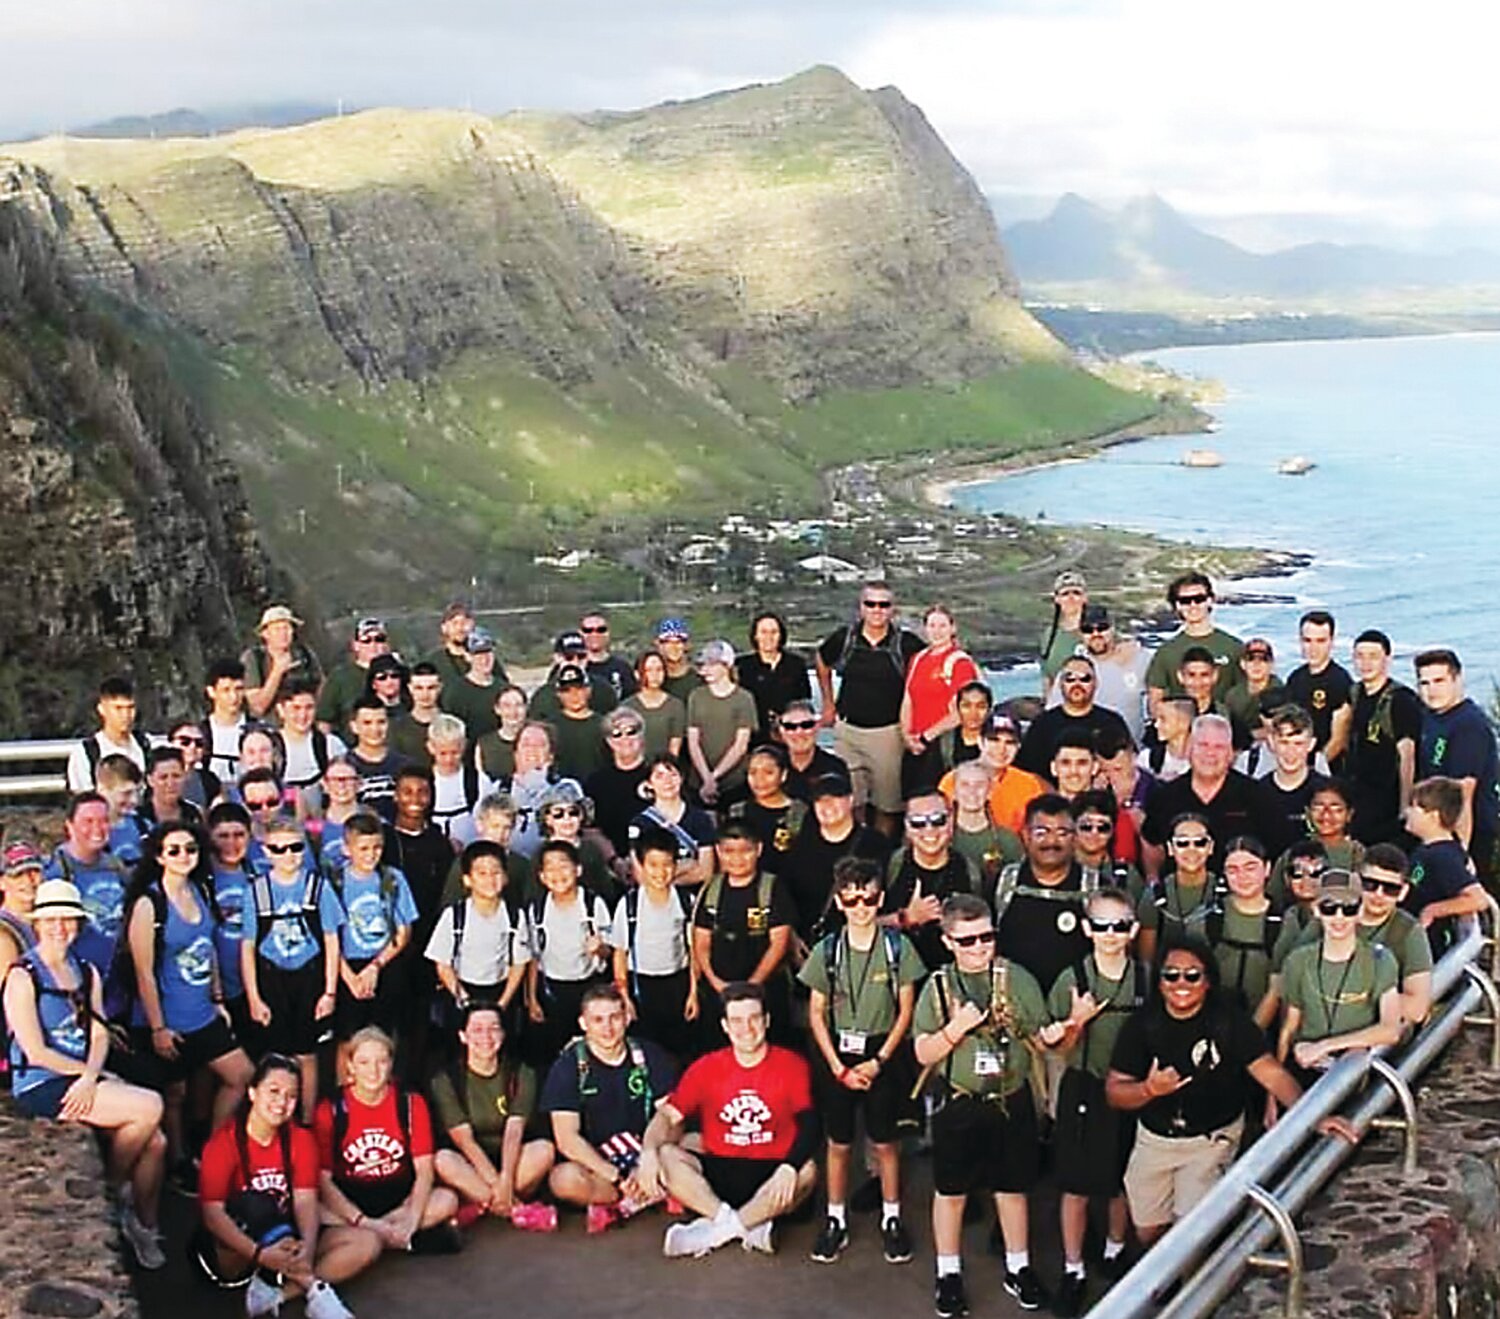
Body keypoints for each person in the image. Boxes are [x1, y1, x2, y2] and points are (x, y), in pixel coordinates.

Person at [1106, 938, 1336, 1242]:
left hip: (1210, 1141)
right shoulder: (1141, 1026)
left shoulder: (1230, 1023)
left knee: (1190, 1233)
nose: (1181, 983)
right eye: (1171, 975)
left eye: (1192, 975)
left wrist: (1313, 1116)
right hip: (1155, 1140)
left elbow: (1271, 1074)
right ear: (1159, 981)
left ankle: (1192, 1284)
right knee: (1148, 1231)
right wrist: (1149, 1090)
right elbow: (1114, 1092)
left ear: (1208, 981)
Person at [5, 878, 169, 1268]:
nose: (60, 927)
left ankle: (143, 1226)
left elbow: (99, 1032)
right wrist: (87, 1075)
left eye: (67, 919)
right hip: (43, 1080)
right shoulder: (22, 976)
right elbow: (34, 1049)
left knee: (157, 1143)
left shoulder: (87, 971)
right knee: (150, 1107)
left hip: (83, 1073)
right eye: (51, 920)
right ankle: (113, 1191)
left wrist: (93, 1074)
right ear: (39, 924)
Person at [912, 894, 1052, 1315]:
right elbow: (922, 1052)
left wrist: (1065, 1027)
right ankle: (948, 1271)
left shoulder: (1018, 980)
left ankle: (1018, 1266)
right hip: (961, 1099)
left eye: (986, 938)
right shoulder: (937, 986)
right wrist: (956, 1029)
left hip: (1011, 1096)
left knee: (1013, 1188)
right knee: (951, 1191)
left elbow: (1041, 1036)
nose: (978, 948)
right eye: (967, 940)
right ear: (948, 942)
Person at [799, 857, 924, 1266]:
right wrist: (837, 1066)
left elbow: (905, 1010)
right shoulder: (828, 949)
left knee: (885, 1143)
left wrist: (879, 1061)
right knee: (837, 1143)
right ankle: (835, 1218)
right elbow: (816, 1012)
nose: (861, 907)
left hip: (879, 1052)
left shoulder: (896, 947)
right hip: (838, 1054)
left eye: (868, 898)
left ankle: (892, 1217)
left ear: (880, 898)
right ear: (839, 902)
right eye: (851, 900)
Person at [637, 981, 818, 1258]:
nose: (746, 1028)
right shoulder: (706, 1067)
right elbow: (667, 1116)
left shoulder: (792, 1064)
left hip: (772, 1173)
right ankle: (745, 1226)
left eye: (754, 1018)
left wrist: (789, 1167)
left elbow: (810, 1125)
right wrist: (647, 1152)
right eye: (736, 1020)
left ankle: (714, 1233)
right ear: (724, 1026)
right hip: (721, 1171)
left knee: (808, 1170)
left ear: (767, 1021)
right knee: (666, 1154)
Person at [123, 822, 253, 1175]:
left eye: (190, 849)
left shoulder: (200, 891)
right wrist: (158, 1027)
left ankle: (211, 1149)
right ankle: (180, 1161)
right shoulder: (149, 904)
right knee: (175, 1093)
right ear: (159, 856)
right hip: (169, 1017)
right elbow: (144, 972)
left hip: (202, 1011)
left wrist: (217, 998)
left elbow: (207, 947)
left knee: (241, 1075)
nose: (184, 856)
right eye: (174, 850)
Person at [1043, 886, 1147, 1314]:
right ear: (1086, 929)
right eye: (1101, 925)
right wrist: (1075, 1021)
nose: (1110, 934)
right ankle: (1073, 1269)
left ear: (1133, 929)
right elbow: (1057, 1049)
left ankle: (1113, 1249)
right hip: (1084, 1086)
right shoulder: (1073, 979)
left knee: (1123, 1178)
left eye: (1119, 926)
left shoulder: (1145, 977)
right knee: (1076, 1184)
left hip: (1132, 1088)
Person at [197, 1053, 364, 1318]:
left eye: (291, 1095)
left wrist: (307, 1250)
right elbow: (212, 1214)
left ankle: (278, 1295)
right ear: (252, 1093)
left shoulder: (300, 1139)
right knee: (256, 1202)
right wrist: (260, 1254)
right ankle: (314, 1289)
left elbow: (305, 1200)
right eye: (273, 1091)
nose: (282, 1102)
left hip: (284, 1241)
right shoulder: (223, 1143)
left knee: (365, 1242)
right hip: (237, 1251)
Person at [540, 983, 679, 1231]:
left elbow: (670, 1115)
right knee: (563, 1180)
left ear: (627, 1018)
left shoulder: (648, 1054)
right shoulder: (568, 1065)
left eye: (615, 1017)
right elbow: (566, 1138)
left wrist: (648, 1158)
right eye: (598, 1020)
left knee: (695, 1145)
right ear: (583, 1023)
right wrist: (617, 1176)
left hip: (648, 1153)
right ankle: (642, 1196)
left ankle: (624, 1203)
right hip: (600, 1164)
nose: (607, 1027)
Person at [314, 1027, 461, 1259]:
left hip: (397, 1196)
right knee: (311, 1209)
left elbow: (424, 1169)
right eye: (364, 1062)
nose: (373, 1071)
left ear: (391, 1063)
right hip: (350, 1196)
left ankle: (386, 1237)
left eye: (381, 1061)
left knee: (447, 1200)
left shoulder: (410, 1102)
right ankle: (401, 1241)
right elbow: (323, 1180)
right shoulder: (330, 1108)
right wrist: (360, 1219)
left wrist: (412, 1219)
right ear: (350, 1066)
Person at [243, 815, 344, 1122]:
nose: (288, 855)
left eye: (295, 847)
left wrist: (329, 991)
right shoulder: (256, 891)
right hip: (271, 978)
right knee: (274, 1056)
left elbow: (331, 941)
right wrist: (254, 997)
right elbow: (247, 946)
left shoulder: (318, 887)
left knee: (307, 1054)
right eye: (279, 848)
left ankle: (307, 1119)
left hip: (309, 978)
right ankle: (271, 1118)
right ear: (266, 851)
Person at [1276, 871, 1402, 1091]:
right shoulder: (1298, 960)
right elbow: (1289, 1028)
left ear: (1360, 911)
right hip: (1306, 1070)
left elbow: (1390, 1030)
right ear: (1316, 910)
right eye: (1329, 908)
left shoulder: (1380, 960)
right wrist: (1273, 1097)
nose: (1339, 917)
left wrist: (1325, 1046)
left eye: (1349, 908)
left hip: (1355, 1074)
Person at [816, 582, 925, 837]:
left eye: (883, 604)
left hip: (888, 733)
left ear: (892, 609)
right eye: (871, 604)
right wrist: (828, 704)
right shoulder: (846, 639)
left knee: (887, 806)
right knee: (851, 802)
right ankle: (857, 851)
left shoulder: (905, 644)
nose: (877, 610)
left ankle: (882, 855)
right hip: (847, 731)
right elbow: (822, 661)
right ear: (861, 608)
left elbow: (929, 671)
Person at [432, 1001, 555, 1225]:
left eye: (494, 1028)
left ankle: (485, 1204)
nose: (486, 1037)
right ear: (463, 1036)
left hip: (512, 1159)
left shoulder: (521, 1072)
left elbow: (514, 1131)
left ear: (503, 1034)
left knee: (544, 1150)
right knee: (443, 1160)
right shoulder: (446, 1079)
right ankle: (514, 1207)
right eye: (477, 1029)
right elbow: (464, 1140)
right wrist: (497, 1183)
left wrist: (506, 1179)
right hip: (473, 1161)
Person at [690, 820, 795, 1034]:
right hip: (719, 992)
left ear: (758, 850)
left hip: (766, 991)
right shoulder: (710, 890)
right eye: (729, 851)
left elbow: (779, 943)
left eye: (745, 851)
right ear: (718, 851)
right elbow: (700, 943)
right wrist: (717, 983)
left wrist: (752, 987)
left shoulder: (772, 888)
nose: (737, 859)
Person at [329, 810, 418, 1044]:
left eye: (377, 847)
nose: (371, 855)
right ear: (347, 849)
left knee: (385, 1034)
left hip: (384, 962)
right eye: (363, 849)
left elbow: (404, 931)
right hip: (347, 967)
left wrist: (376, 966)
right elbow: (328, 936)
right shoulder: (334, 882)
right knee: (347, 1038)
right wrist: (349, 977)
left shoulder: (392, 878)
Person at [992, 793, 1093, 996]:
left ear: (1074, 838)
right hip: (1014, 1002)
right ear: (1025, 836)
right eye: (1042, 832)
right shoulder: (1003, 883)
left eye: (1062, 833)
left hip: (1076, 1005)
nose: (1051, 842)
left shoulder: (1095, 887)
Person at [524, 840, 613, 1067]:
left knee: (591, 1049)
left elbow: (610, 952)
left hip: (588, 986)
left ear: (578, 870)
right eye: (550, 868)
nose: (558, 874)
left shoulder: (593, 904)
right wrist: (532, 998)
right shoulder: (537, 908)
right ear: (542, 877)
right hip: (551, 989)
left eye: (564, 866)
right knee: (553, 1053)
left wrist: (600, 948)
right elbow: (534, 956)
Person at [780, 772, 893, 953]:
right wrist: (792, 941)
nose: (827, 806)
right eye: (820, 800)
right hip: (807, 948)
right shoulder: (801, 845)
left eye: (835, 798)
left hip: (861, 946)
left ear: (850, 800)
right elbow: (784, 898)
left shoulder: (875, 845)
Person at [426, 840, 532, 1032]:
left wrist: (502, 1003)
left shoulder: (515, 915)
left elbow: (520, 963)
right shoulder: (455, 915)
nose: (490, 880)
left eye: (496, 873)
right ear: (467, 880)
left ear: (506, 877)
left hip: (500, 989)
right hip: (462, 989)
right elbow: (442, 963)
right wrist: (464, 999)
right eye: (481, 874)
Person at [611, 829, 698, 1060]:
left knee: (680, 1047)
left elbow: (694, 951)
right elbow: (620, 953)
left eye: (667, 864)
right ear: (640, 865)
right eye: (653, 864)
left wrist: (694, 993)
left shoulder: (685, 901)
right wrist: (624, 996)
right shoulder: (629, 904)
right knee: (646, 1049)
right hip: (641, 984)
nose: (661, 872)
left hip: (677, 983)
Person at [1140, 715, 1255, 881]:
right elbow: (1151, 841)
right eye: (1203, 745)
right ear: (1189, 749)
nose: (1210, 753)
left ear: (1231, 754)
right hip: (1177, 897)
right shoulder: (1165, 796)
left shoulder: (1256, 795)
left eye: (1219, 747)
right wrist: (1153, 879)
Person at [1415, 649, 1498, 871]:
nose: (1432, 690)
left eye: (1439, 681)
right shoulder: (1432, 716)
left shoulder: (1468, 725)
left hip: (1467, 833)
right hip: (1436, 830)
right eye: (1425, 683)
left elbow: (1464, 792)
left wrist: (1461, 852)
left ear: (1457, 680)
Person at [882, 792, 978, 972]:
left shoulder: (969, 871)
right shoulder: (889, 866)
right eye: (918, 822)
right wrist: (906, 918)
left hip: (953, 979)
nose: (929, 830)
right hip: (896, 978)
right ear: (907, 827)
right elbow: (857, 925)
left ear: (951, 821)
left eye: (938, 820)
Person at [1206, 836, 1294, 1028]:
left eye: (1251, 867)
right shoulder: (1209, 918)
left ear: (1267, 869)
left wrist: (1250, 1039)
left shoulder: (1285, 922)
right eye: (1233, 870)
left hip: (1262, 1030)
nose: (1242, 877)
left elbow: (1277, 989)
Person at [1344, 629, 1421, 844]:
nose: (1365, 663)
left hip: (1387, 800)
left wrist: (1405, 806)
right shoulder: (1356, 693)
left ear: (1387, 659)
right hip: (1359, 795)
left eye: (1373, 656)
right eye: (1360, 656)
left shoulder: (1400, 700)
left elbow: (1408, 756)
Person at [899, 605, 981, 798]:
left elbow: (962, 711)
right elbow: (908, 699)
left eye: (942, 625)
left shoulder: (960, 663)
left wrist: (926, 737)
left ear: (953, 628)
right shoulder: (917, 659)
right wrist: (907, 735)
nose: (937, 631)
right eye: (932, 625)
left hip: (943, 745)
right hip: (915, 744)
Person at [1403, 777, 1490, 951]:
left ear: (1433, 816)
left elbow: (1478, 899)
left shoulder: (1443, 856)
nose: (1407, 812)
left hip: (1430, 945)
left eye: (1414, 807)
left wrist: (1432, 910)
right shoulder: (1426, 850)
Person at [45, 792, 129, 972]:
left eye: (104, 820)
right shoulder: (55, 871)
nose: (98, 828)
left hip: (116, 980)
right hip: (77, 978)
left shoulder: (115, 866)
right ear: (69, 825)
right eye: (88, 821)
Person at [1352, 845, 1435, 1026]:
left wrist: (1352, 999)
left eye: (1390, 889)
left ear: (1403, 892)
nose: (1378, 895)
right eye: (1370, 885)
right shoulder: (1333, 914)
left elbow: (1417, 1007)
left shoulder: (1408, 931)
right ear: (1356, 882)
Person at [1144, 572, 1243, 714]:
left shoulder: (1234, 648)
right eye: (1185, 601)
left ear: (1210, 600)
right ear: (1177, 605)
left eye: (1199, 599)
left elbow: (1247, 694)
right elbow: (1155, 699)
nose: (1192, 605)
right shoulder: (1166, 652)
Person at [1016, 656, 1129, 779]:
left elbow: (1126, 766)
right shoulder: (1042, 724)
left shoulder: (1112, 721)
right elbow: (1027, 772)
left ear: (1096, 683)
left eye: (1085, 679)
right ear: (1060, 684)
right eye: (1070, 679)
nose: (1077, 684)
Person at [939, 710, 1047, 834]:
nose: (1001, 749)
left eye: (1010, 742)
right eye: (994, 740)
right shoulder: (954, 780)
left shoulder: (1028, 784)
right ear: (980, 741)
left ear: (1018, 747)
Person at [1056, 605, 1151, 740]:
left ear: (1112, 629)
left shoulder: (1139, 658)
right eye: (1088, 630)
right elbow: (1055, 710)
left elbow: (1159, 697)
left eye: (1102, 628)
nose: (1096, 634)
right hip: (1085, 752)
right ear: (1080, 634)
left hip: (1129, 752)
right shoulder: (1073, 668)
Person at [205, 802, 256, 1048]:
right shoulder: (202, 880)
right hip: (214, 990)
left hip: (253, 987)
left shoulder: (257, 875)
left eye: (238, 835)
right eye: (222, 836)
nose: (231, 844)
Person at [1248, 704, 1328, 861]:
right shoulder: (1255, 793)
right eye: (1284, 743)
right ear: (1271, 742)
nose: (1290, 752)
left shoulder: (1325, 792)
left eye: (1298, 744)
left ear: (1311, 744)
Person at [1138, 812, 1217, 966]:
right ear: (1170, 849)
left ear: (1210, 847)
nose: (1191, 849)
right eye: (1182, 843)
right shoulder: (1154, 895)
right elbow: (1146, 959)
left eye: (1200, 842)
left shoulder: (1224, 891)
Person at [686, 640, 758, 807]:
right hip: (697, 782)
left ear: (727, 665)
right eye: (703, 665)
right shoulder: (696, 696)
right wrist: (706, 778)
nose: (705, 670)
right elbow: (693, 742)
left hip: (734, 782)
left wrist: (714, 777)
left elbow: (740, 746)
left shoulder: (743, 698)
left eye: (712, 664)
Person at [626, 754, 716, 887]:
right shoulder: (640, 823)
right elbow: (641, 876)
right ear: (649, 784)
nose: (667, 781)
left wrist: (665, 883)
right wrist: (686, 866)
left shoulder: (701, 819)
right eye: (660, 776)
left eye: (673, 775)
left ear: (682, 778)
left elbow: (705, 871)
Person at [1284, 611, 1353, 763]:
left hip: (1328, 769)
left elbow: (1339, 740)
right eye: (1307, 640)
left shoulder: (1341, 682)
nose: (1313, 648)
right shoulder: (1295, 678)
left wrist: (1315, 770)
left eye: (1320, 641)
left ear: (1332, 642)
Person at [729, 743, 807, 876]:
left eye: (768, 772)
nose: (760, 780)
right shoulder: (738, 811)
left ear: (783, 775)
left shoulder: (800, 812)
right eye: (753, 772)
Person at [950, 760, 1025, 899]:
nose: (972, 791)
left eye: (979, 785)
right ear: (954, 791)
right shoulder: (940, 838)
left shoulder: (1007, 840)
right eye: (965, 785)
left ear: (990, 791)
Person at [737, 610, 812, 741]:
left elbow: (803, 701)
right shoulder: (743, 666)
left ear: (781, 635)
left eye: (774, 632)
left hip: (789, 734)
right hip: (753, 735)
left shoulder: (796, 664)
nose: (769, 637)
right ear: (755, 636)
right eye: (764, 632)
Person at [66, 675, 150, 791]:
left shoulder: (147, 746)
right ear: (101, 709)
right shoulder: (86, 753)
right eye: (118, 708)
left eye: (130, 708)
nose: (125, 715)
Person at [279, 676, 348, 812]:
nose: (303, 715)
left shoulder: (331, 745)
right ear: (281, 710)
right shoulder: (270, 745)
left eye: (309, 708)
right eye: (296, 708)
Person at [244, 604, 324, 719]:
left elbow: (322, 691)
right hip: (269, 729)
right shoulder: (254, 658)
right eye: (277, 629)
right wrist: (277, 672)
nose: (283, 634)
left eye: (286, 628)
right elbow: (258, 707)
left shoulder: (305, 654)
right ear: (265, 634)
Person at [318, 617, 390, 737]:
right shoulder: (339, 677)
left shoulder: (398, 674)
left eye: (379, 639)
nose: (373, 645)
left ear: (387, 644)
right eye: (366, 640)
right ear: (355, 645)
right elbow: (324, 721)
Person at [425, 714, 485, 846]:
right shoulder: (424, 781)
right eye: (443, 753)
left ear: (463, 746)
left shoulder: (476, 780)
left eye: (455, 753)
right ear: (431, 747)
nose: (449, 759)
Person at [547, 663, 610, 784]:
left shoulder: (604, 725)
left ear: (588, 690)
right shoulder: (549, 727)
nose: (573, 695)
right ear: (558, 694)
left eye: (578, 689)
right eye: (567, 691)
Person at [346, 697, 405, 824]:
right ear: (354, 726)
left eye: (381, 722)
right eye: (367, 723)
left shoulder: (405, 766)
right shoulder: (343, 767)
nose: (375, 729)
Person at [778, 698, 850, 800]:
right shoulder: (771, 764)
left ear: (817, 727)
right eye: (790, 726)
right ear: (781, 731)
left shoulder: (835, 767)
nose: (799, 732)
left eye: (806, 725)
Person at [443, 628, 507, 743]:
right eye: (478, 654)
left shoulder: (504, 689)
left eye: (488, 652)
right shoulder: (455, 693)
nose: (484, 659)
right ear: (467, 657)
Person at [625, 650, 688, 760]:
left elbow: (674, 746)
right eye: (648, 670)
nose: (655, 675)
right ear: (637, 674)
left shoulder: (675, 706)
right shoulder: (627, 707)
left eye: (659, 670)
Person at [1223, 637, 1285, 747]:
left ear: (1271, 664)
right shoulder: (1233, 695)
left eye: (1263, 659)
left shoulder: (1281, 693)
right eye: (1251, 659)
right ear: (1242, 664)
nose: (1257, 664)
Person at [1040, 571, 1089, 698]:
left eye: (1076, 593)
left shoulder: (1097, 631)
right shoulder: (1049, 635)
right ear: (1057, 599)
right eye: (1065, 594)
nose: (1071, 598)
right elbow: (1047, 677)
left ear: (1085, 598)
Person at [390, 662, 445, 769]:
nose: (425, 694)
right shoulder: (396, 729)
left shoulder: (452, 725)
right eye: (419, 688)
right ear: (410, 688)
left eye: (431, 688)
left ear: (440, 688)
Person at [473, 685, 529, 782]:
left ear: (526, 708)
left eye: (518, 705)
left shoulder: (537, 740)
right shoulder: (484, 744)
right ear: (497, 709)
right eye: (507, 706)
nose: (513, 712)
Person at [580, 611, 638, 704]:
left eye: (601, 630)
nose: (594, 634)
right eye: (588, 630)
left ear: (608, 633)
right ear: (580, 633)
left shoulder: (623, 668)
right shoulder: (568, 668)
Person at [425, 600, 475, 689]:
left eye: (464, 623)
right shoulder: (434, 660)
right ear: (444, 628)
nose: (460, 628)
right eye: (454, 623)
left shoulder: (483, 658)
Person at [654, 618, 704, 705]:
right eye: (668, 642)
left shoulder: (699, 680)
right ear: (658, 645)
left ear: (686, 645)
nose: (674, 647)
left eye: (678, 642)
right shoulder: (652, 680)